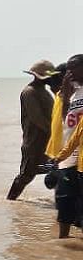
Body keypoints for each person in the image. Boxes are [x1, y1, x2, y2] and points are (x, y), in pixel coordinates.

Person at [7, 61, 56, 200]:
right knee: (26, 175)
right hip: (34, 141)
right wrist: (55, 132)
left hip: (48, 141)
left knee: (58, 171)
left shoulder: (45, 92)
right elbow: (37, 118)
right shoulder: (30, 92)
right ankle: (11, 202)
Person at [50, 54, 83, 238]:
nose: (69, 73)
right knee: (64, 201)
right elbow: (66, 122)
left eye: (74, 67)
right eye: (68, 69)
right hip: (69, 156)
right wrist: (66, 98)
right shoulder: (71, 94)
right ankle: (62, 243)